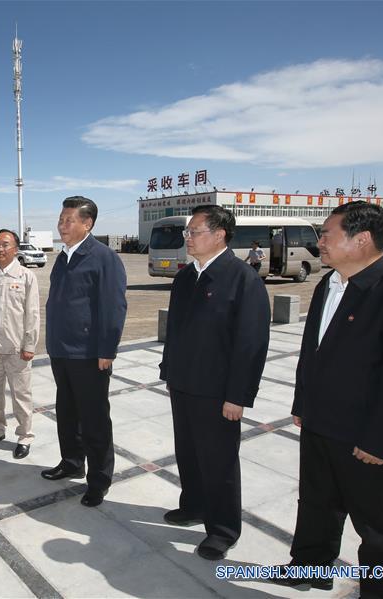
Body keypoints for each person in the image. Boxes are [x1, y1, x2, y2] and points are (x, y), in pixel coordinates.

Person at [268, 202, 383, 596]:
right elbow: (312, 352)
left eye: (327, 234)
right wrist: (303, 404)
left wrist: (382, 440)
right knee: (316, 504)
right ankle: (309, 567)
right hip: (320, 424)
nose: (320, 242)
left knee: (377, 530)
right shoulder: (329, 283)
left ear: (362, 238)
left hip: (366, 437)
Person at [159, 205, 271, 561]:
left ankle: (222, 529)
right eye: (187, 233)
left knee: (219, 460)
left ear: (220, 234)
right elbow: (175, 331)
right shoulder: (185, 277)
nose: (188, 238)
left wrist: (238, 395)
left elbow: (251, 343)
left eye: (194, 232)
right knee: (189, 452)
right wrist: (169, 371)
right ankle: (193, 505)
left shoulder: (242, 278)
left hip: (219, 392)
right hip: (184, 383)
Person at [42, 196, 127, 508]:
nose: (62, 225)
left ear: (87, 224)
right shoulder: (63, 257)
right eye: (61, 219)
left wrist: (107, 349)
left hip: (90, 354)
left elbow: (114, 307)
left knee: (94, 419)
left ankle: (99, 480)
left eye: (68, 220)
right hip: (62, 351)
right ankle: (72, 462)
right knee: (67, 412)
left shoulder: (103, 258)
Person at [0, 229, 40, 459]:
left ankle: (25, 435)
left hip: (17, 350)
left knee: (21, 396)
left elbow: (32, 314)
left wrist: (29, 345)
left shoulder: (25, 277)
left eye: (4, 245)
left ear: (15, 249)